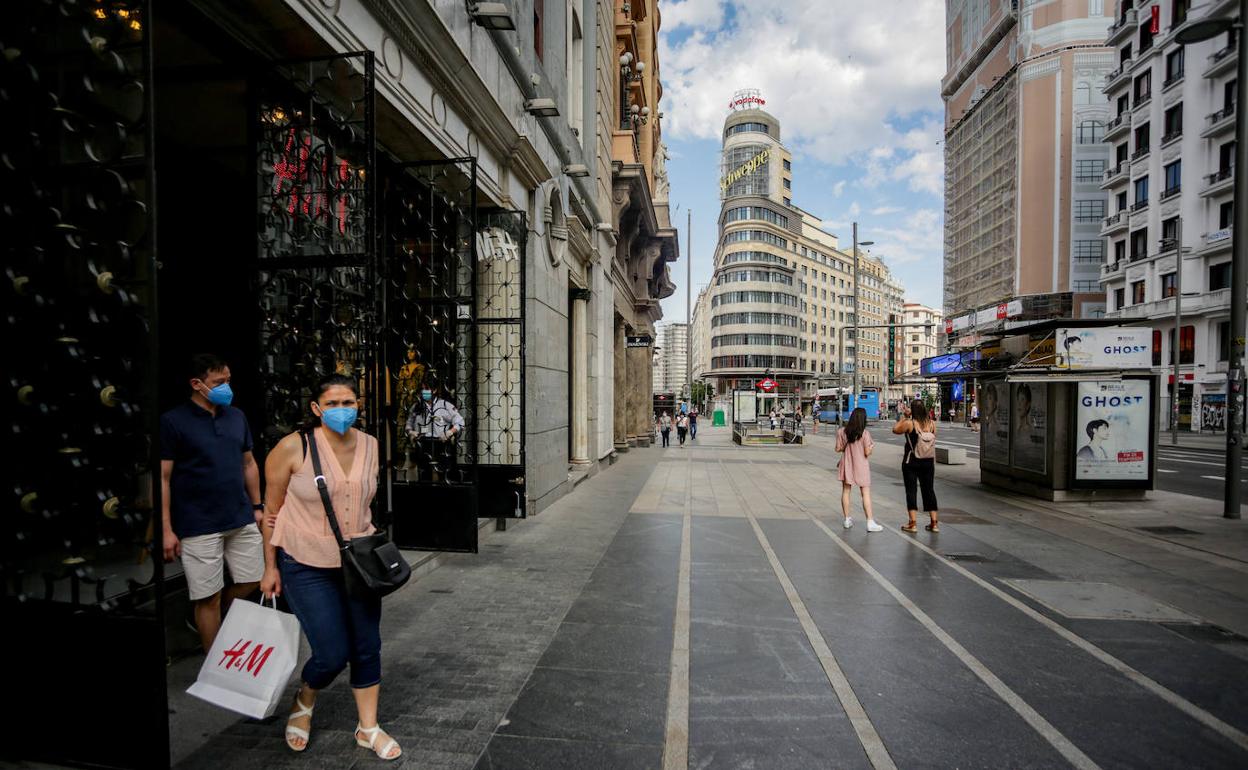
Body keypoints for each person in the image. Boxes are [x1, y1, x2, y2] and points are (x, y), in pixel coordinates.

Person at [260, 374, 401, 760]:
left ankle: (367, 727)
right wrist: (269, 567)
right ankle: (305, 697)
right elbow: (270, 514)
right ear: (316, 408)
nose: (343, 410)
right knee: (331, 652)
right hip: (304, 562)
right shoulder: (292, 448)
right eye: (334, 404)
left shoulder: (372, 445)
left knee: (367, 645)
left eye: (349, 403)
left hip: (359, 563)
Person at [160, 353, 264, 653]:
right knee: (208, 597)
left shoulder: (236, 416)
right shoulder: (173, 422)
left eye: (228, 381)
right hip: (198, 523)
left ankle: (223, 624)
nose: (227, 388)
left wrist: (257, 507)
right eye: (219, 382)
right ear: (197, 384)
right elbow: (163, 478)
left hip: (240, 517)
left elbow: (249, 464)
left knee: (253, 580)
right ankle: (215, 664)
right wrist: (167, 529)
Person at [893, 399, 940, 533]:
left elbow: (895, 429)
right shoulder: (932, 424)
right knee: (929, 490)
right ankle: (934, 523)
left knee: (911, 490)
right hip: (928, 461)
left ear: (912, 410)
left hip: (911, 462)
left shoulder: (910, 423)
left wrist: (905, 417)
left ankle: (912, 523)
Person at [405, 376, 465, 479]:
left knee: (443, 475)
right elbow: (409, 424)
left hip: (440, 444)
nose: (424, 392)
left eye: (427, 389)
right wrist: (411, 432)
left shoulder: (445, 405)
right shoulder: (416, 406)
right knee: (424, 475)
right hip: (423, 444)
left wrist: (450, 432)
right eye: (422, 389)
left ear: (435, 390)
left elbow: (460, 421)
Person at [836, 407, 881, 532]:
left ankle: (846, 519)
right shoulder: (865, 434)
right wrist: (871, 447)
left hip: (847, 464)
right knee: (865, 493)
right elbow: (867, 452)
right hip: (861, 465)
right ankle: (870, 522)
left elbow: (838, 448)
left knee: (846, 491)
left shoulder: (842, 432)